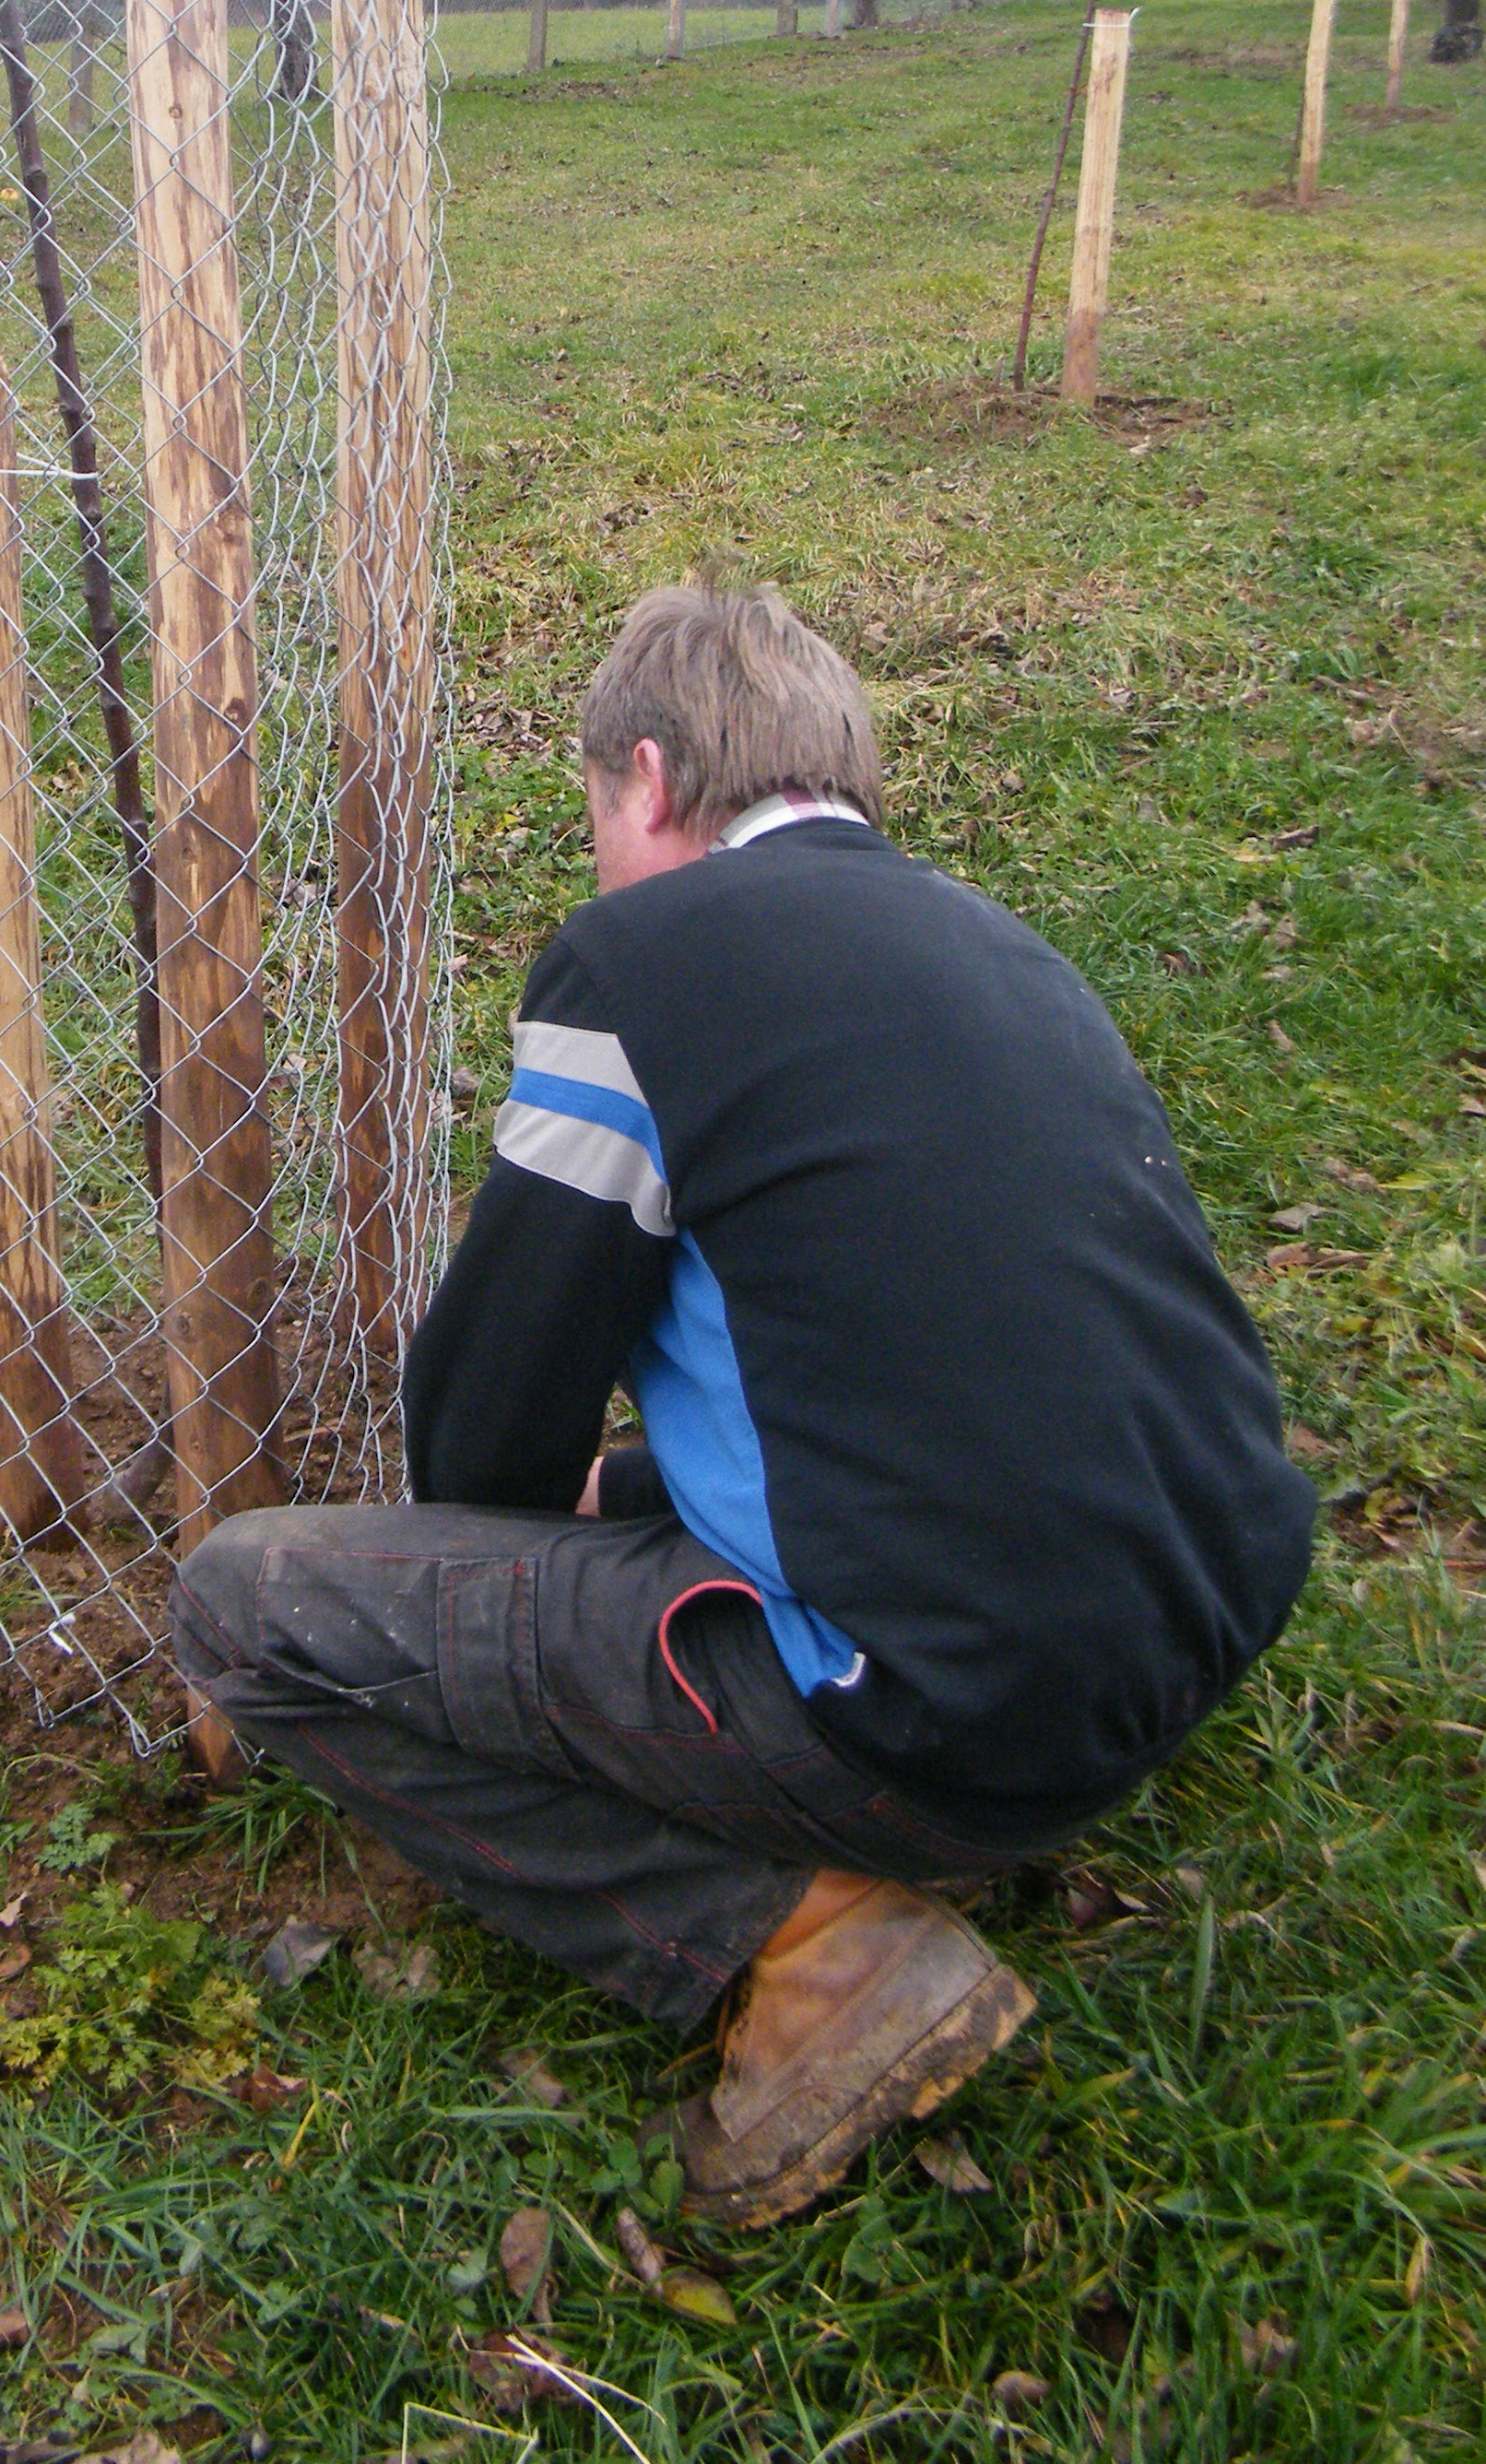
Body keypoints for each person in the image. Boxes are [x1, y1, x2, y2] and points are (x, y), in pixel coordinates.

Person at [172, 580, 1314, 2227]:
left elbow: (485, 1434)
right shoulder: (1005, 950)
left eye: (591, 818)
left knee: (246, 1603)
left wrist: (509, 1550)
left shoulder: (643, 964)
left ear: (643, 778)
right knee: (639, 1500)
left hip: (936, 1723)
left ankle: (808, 1941)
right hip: (1175, 1637)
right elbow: (897, 1367)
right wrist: (629, 1501)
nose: (594, 860)